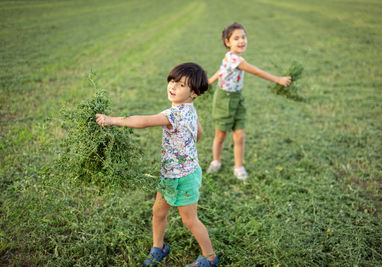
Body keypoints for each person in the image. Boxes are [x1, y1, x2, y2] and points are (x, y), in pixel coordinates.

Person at [96, 63, 219, 266]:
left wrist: (112, 120)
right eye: (172, 81)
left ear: (194, 93)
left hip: (185, 176)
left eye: (180, 85)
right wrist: (187, 146)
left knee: (189, 220)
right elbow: (200, 132)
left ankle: (210, 257)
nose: (172, 86)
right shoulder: (189, 109)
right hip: (170, 173)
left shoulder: (173, 114)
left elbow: (143, 121)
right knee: (158, 212)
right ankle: (159, 247)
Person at [207, 22, 292, 180]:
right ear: (227, 42)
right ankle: (216, 161)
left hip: (237, 98)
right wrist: (277, 79)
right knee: (221, 135)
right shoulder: (234, 58)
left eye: (243, 37)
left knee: (240, 135)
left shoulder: (234, 58)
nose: (241, 41)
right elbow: (256, 71)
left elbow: (221, 70)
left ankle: (238, 166)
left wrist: (209, 80)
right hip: (223, 100)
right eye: (236, 38)